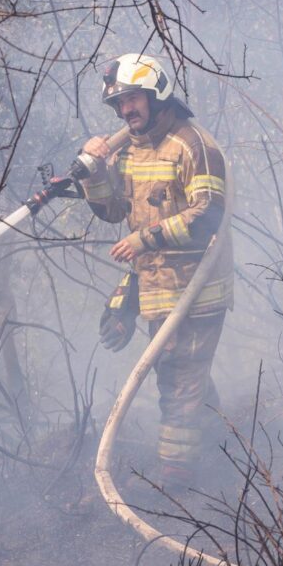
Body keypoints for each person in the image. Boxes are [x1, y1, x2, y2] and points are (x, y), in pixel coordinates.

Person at [80, 53, 233, 490]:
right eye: (119, 103)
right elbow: (113, 211)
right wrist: (94, 172)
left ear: (157, 94)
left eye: (133, 99)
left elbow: (208, 215)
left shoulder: (193, 145)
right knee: (183, 373)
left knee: (178, 378)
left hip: (197, 288)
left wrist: (144, 240)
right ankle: (225, 448)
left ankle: (175, 480)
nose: (125, 110)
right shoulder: (130, 150)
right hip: (158, 287)